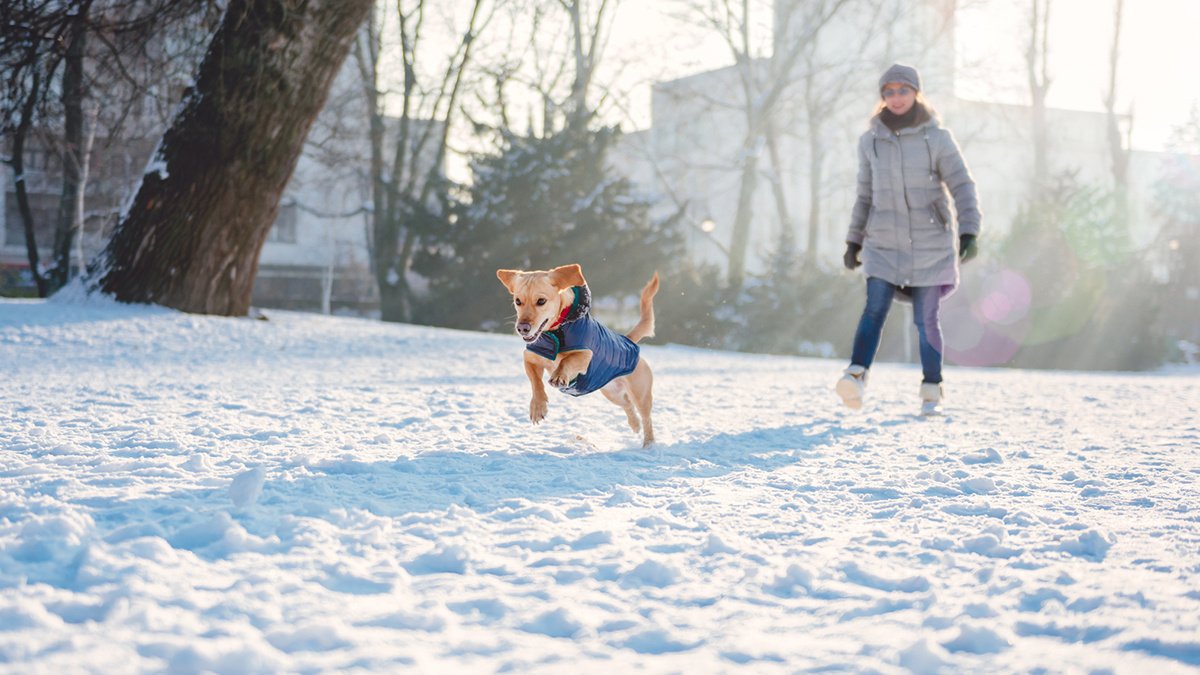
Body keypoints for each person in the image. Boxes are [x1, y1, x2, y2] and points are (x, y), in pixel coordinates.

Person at [837, 63, 981, 415]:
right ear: (882, 97)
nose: (896, 97)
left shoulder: (938, 138)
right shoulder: (870, 141)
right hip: (882, 242)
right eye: (889, 91)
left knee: (925, 319)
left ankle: (932, 386)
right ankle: (855, 376)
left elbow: (962, 184)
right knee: (874, 309)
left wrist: (968, 230)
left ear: (916, 92)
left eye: (902, 90)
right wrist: (853, 241)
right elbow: (864, 195)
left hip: (930, 243)